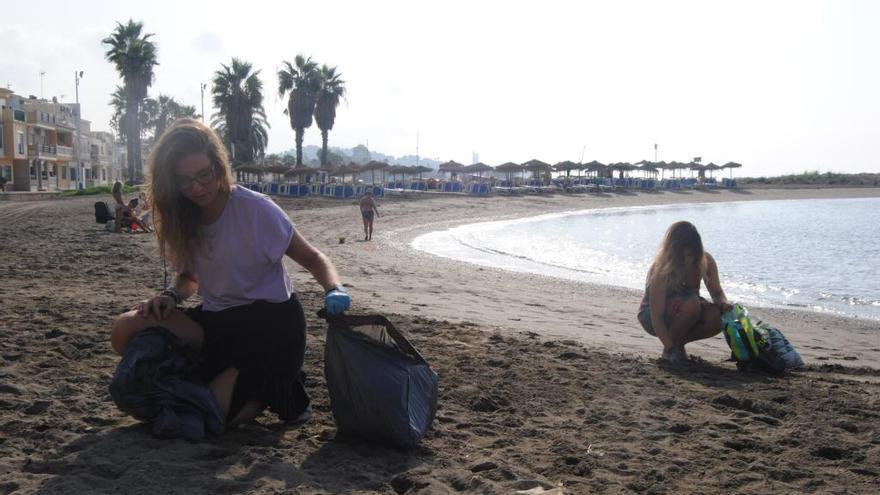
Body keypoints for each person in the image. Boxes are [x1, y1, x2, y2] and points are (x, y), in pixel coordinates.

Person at [110, 119, 351, 429]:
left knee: (207, 420)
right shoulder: (183, 216)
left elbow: (313, 257)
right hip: (219, 319)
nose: (196, 188)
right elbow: (189, 277)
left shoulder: (256, 210)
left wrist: (334, 288)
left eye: (203, 175)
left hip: (270, 324)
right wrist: (170, 296)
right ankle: (230, 375)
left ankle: (279, 386)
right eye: (184, 181)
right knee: (125, 327)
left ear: (218, 166)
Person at [637, 221, 732, 364]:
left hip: (688, 310)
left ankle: (677, 345)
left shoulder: (705, 261)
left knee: (720, 317)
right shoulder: (662, 270)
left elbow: (717, 292)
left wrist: (724, 303)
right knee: (692, 305)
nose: (690, 259)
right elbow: (656, 316)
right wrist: (669, 347)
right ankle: (670, 350)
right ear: (674, 251)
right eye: (686, 254)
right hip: (652, 316)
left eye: (693, 254)